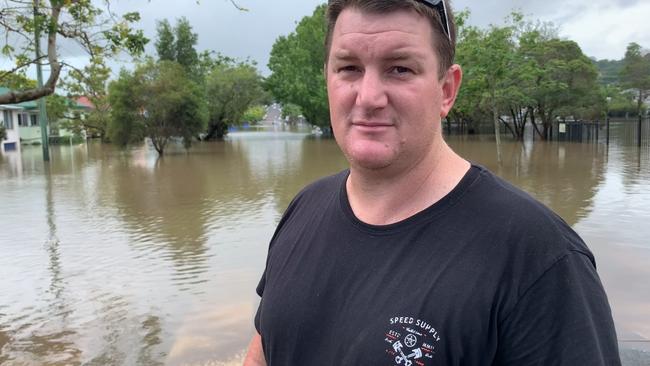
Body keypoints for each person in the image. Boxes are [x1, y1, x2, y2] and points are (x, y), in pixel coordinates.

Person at [244, 0, 621, 364]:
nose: (369, 96)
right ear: (327, 76)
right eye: (349, 68)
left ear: (446, 90)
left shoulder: (539, 256)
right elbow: (263, 349)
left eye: (400, 69)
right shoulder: (304, 207)